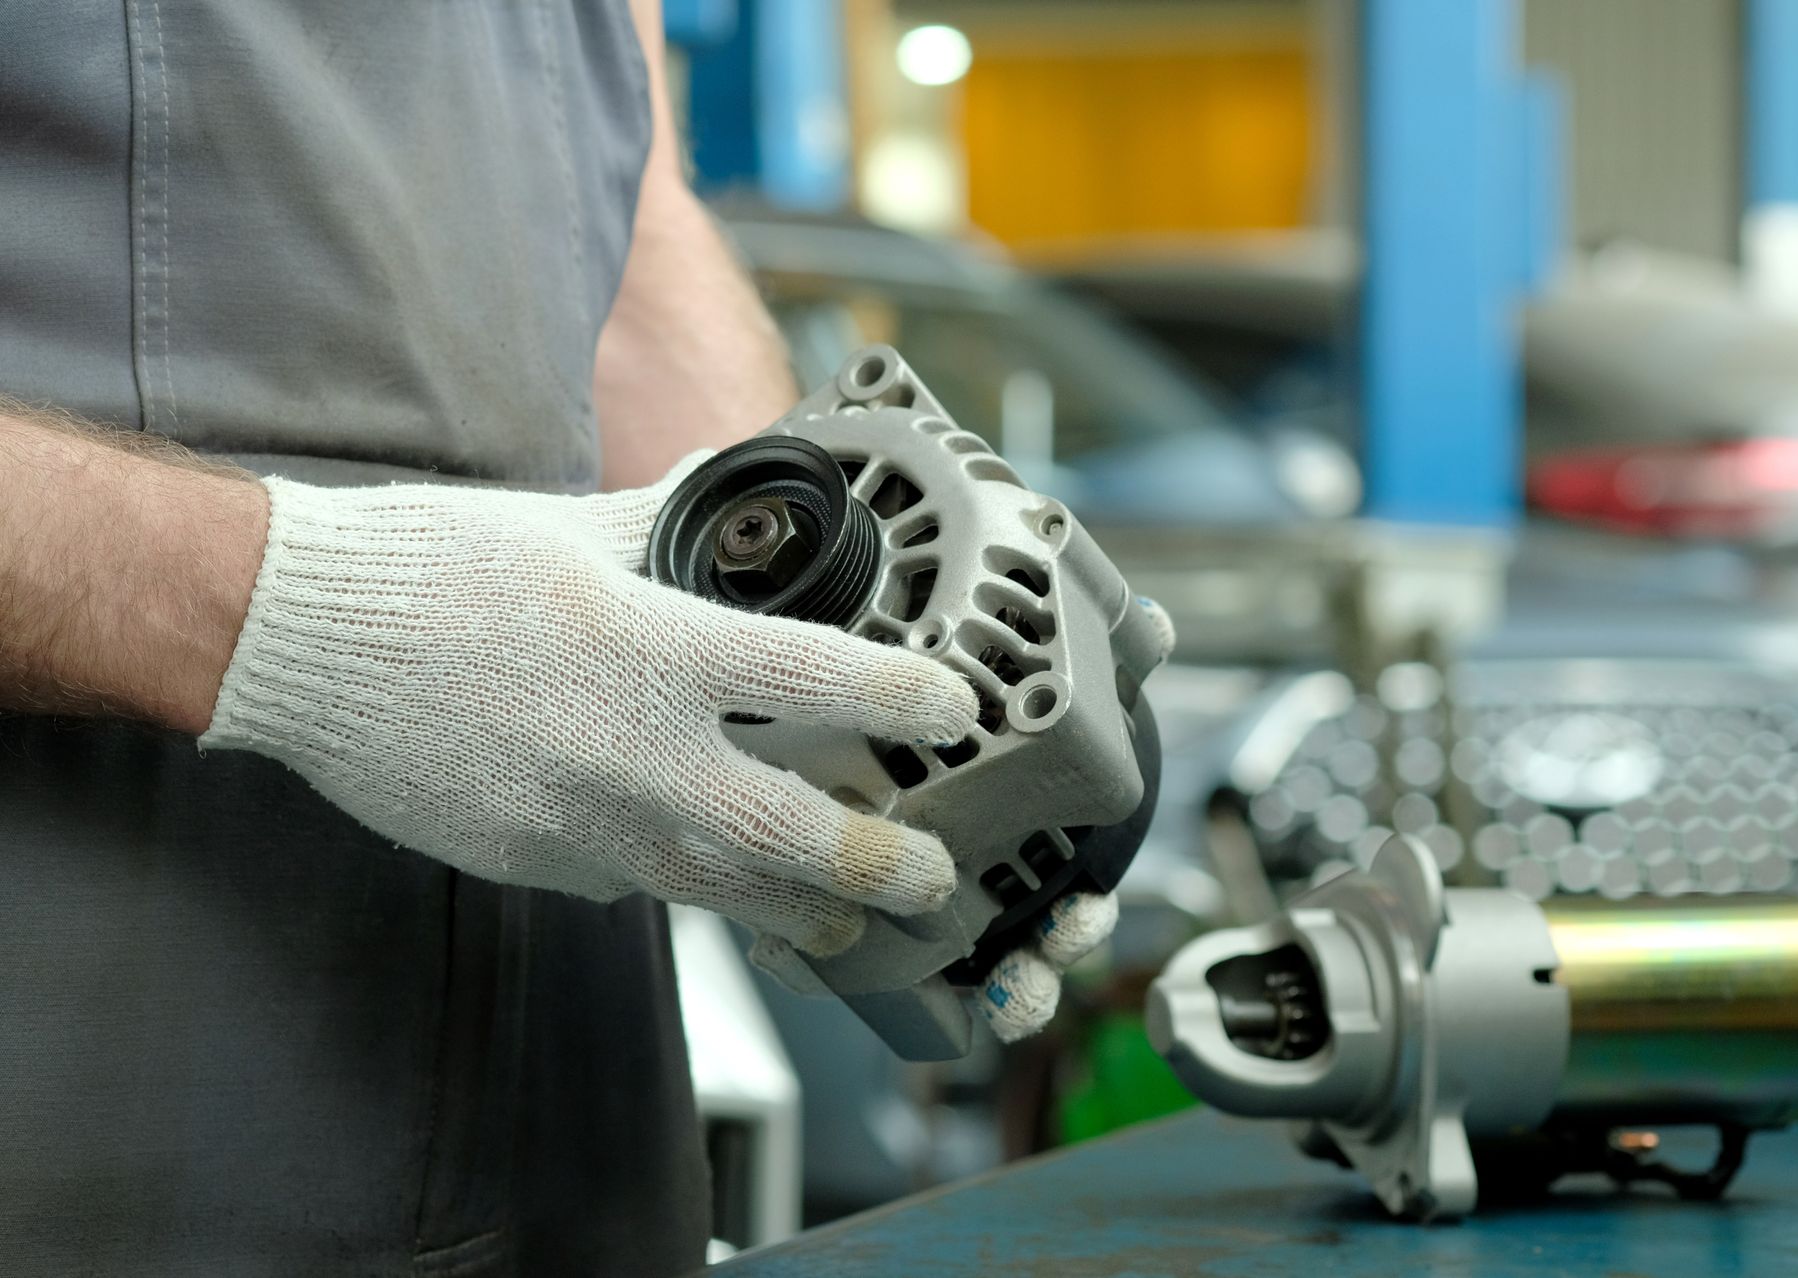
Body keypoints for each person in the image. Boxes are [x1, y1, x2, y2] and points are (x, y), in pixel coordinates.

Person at [0, 2, 1156, 1274]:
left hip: (572, 1118)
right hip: (83, 1106)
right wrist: (287, 608)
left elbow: (631, 226)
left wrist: (836, 692)